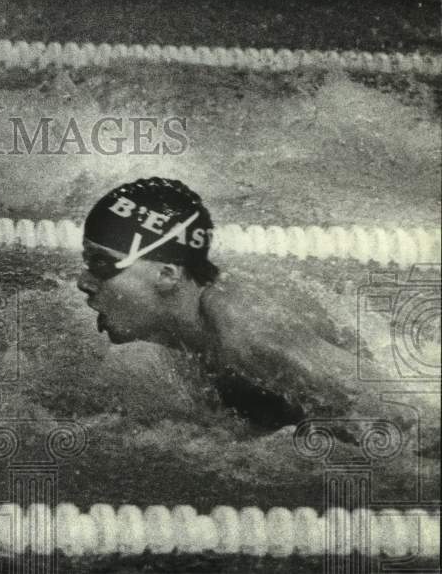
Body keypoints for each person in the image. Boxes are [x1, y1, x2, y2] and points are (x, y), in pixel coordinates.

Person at [76, 177, 433, 452]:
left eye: (100, 263)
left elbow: (403, 417)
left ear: (167, 274)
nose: (82, 281)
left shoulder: (248, 333)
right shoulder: (185, 325)